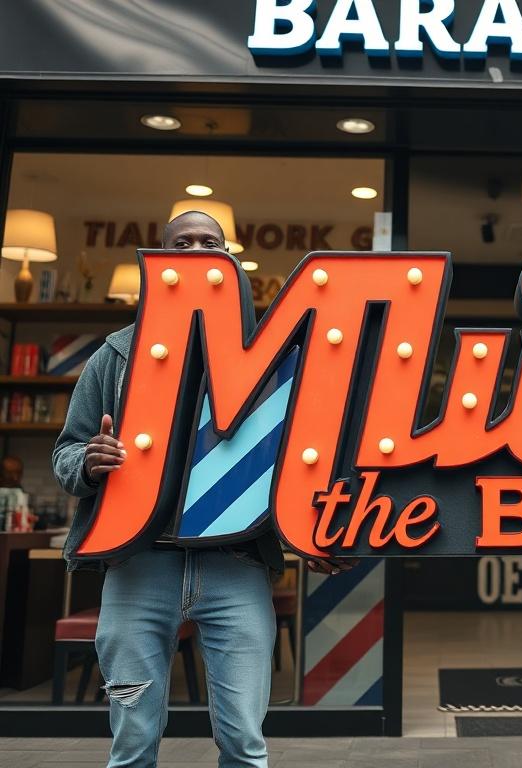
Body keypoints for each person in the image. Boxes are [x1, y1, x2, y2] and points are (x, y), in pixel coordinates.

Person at [53, 211, 351, 768]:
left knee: (243, 739)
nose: (195, 249)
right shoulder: (114, 355)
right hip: (140, 565)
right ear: (161, 259)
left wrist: (311, 533)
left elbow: (294, 460)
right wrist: (88, 462)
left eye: (208, 242)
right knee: (132, 741)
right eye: (181, 241)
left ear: (228, 259)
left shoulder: (271, 353)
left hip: (235, 565)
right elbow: (65, 452)